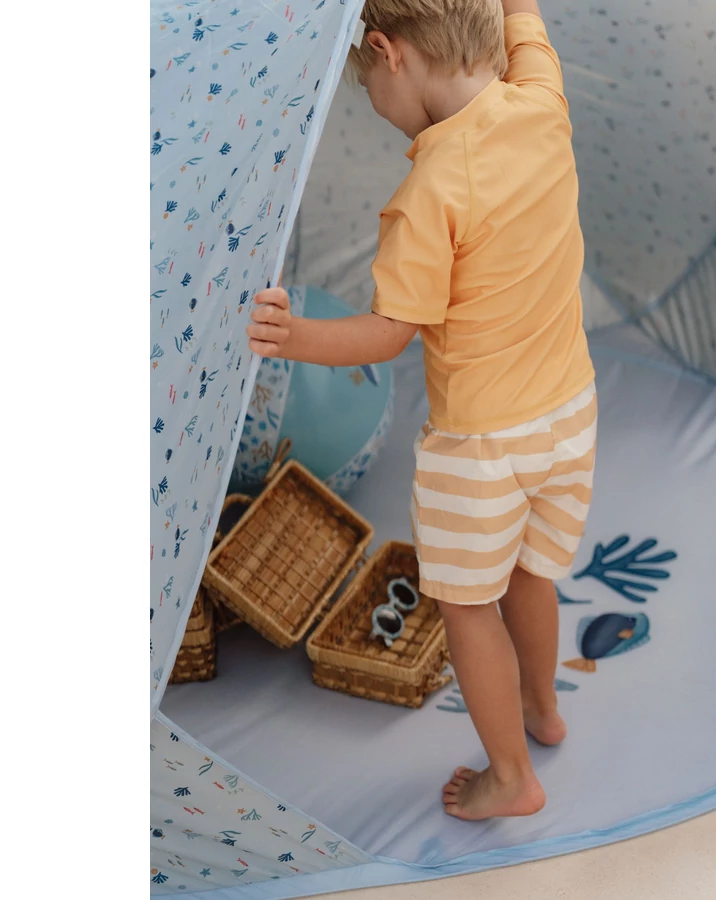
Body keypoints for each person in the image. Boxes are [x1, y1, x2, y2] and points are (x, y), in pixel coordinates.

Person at [247, 0, 596, 822]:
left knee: (468, 607)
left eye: (366, 83)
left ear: (387, 50)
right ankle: (543, 708)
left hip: (480, 447)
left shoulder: (430, 190)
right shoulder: (542, 98)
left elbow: (387, 333)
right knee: (531, 573)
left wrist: (294, 336)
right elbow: (523, 14)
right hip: (570, 414)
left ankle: (511, 776)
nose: (374, 104)